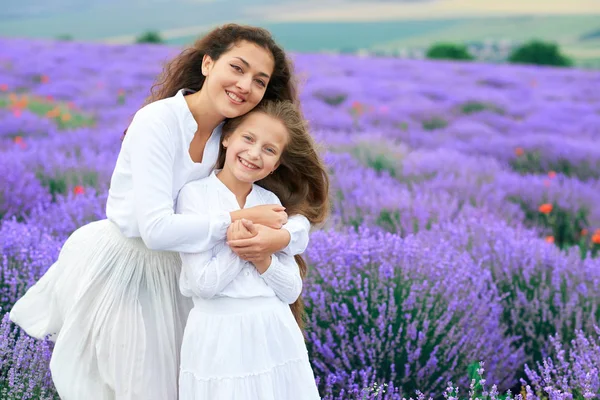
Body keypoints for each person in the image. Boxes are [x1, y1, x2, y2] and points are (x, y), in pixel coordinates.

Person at [9, 24, 311, 400]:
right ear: (207, 64)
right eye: (237, 68)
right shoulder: (158, 122)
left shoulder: (234, 135)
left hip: (187, 271)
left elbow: (289, 208)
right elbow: (155, 229)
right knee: (137, 387)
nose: (245, 85)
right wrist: (241, 223)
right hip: (129, 269)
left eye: (259, 81)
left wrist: (281, 235)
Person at [176, 99, 329, 400]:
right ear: (228, 137)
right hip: (218, 337)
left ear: (276, 164)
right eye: (248, 138)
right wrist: (243, 244)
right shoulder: (194, 197)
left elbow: (290, 290)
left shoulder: (270, 203)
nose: (254, 154)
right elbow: (203, 285)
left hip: (274, 332)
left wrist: (262, 257)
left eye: (269, 150)